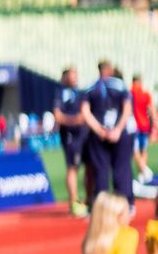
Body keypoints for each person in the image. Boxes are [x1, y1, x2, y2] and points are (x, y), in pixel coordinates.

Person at [81, 60, 134, 206]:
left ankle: (101, 208)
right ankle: (125, 205)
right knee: (121, 169)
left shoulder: (90, 87)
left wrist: (99, 130)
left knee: (101, 171)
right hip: (120, 134)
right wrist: (117, 130)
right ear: (109, 70)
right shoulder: (121, 85)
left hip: (99, 135)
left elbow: (85, 113)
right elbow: (127, 109)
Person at [53, 67, 87, 217]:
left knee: (88, 167)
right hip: (70, 137)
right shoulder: (60, 93)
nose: (75, 77)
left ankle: (87, 200)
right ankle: (73, 202)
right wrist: (75, 120)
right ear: (65, 77)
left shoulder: (81, 92)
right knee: (72, 167)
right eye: (72, 74)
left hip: (85, 135)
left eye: (76, 74)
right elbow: (58, 116)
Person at [131, 74, 152, 187]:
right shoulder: (146, 93)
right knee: (143, 150)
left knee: (135, 151)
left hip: (135, 127)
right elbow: (151, 110)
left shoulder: (130, 92)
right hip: (145, 126)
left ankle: (144, 171)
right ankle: (143, 174)